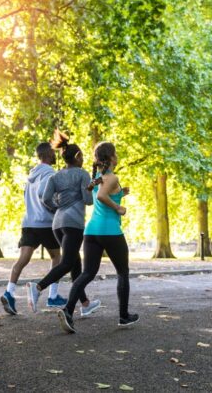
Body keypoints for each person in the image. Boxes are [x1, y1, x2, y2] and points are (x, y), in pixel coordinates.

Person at [58, 141, 139, 334]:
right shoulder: (110, 177)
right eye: (116, 154)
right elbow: (103, 196)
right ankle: (123, 316)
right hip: (110, 231)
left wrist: (121, 194)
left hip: (91, 232)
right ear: (111, 158)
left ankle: (68, 311)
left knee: (87, 273)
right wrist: (119, 207)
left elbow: (99, 193)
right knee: (122, 272)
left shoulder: (97, 178)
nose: (117, 158)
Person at [25, 132, 101, 317]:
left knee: (75, 265)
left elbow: (45, 198)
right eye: (82, 156)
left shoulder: (55, 176)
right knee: (67, 263)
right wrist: (89, 188)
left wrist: (58, 206)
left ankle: (85, 304)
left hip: (57, 224)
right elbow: (88, 201)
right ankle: (38, 287)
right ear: (77, 157)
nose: (84, 159)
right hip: (73, 223)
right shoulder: (82, 174)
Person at [0, 142, 65, 315]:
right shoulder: (50, 173)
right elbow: (45, 196)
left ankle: (9, 292)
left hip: (29, 222)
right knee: (57, 257)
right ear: (48, 154)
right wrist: (55, 208)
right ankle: (52, 296)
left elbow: (27, 197)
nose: (55, 155)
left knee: (22, 260)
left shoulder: (31, 176)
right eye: (53, 153)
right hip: (45, 223)